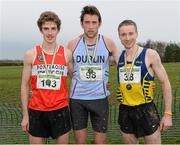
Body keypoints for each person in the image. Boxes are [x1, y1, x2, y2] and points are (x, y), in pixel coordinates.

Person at [67, 5, 119, 144]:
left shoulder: (108, 42)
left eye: (94, 22)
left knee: (100, 142)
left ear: (99, 23)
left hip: (100, 98)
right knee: (80, 142)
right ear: (81, 24)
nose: (90, 27)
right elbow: (68, 68)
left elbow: (122, 64)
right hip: (77, 99)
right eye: (87, 22)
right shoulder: (72, 44)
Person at [116, 19, 172, 144]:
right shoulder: (119, 57)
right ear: (119, 36)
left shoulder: (150, 54)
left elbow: (165, 82)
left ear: (136, 34)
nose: (127, 38)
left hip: (146, 109)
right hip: (125, 109)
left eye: (131, 33)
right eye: (123, 34)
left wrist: (167, 114)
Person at [21, 11, 72, 144]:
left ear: (58, 30)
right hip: (37, 110)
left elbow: (76, 77)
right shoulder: (30, 54)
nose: (50, 33)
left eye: (53, 28)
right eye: (46, 29)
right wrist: (25, 116)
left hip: (60, 109)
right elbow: (24, 86)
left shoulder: (67, 54)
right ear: (41, 30)